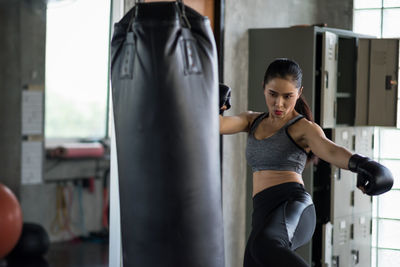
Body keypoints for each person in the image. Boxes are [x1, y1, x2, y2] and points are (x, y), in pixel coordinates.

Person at [219, 58, 393, 267]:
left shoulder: (303, 128)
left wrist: (363, 164)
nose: (279, 103)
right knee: (256, 256)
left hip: (292, 205)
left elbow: (329, 149)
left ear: (299, 93)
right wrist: (214, 102)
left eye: (287, 96)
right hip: (263, 212)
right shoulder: (252, 120)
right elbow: (217, 125)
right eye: (273, 94)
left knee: (265, 245)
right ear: (263, 88)